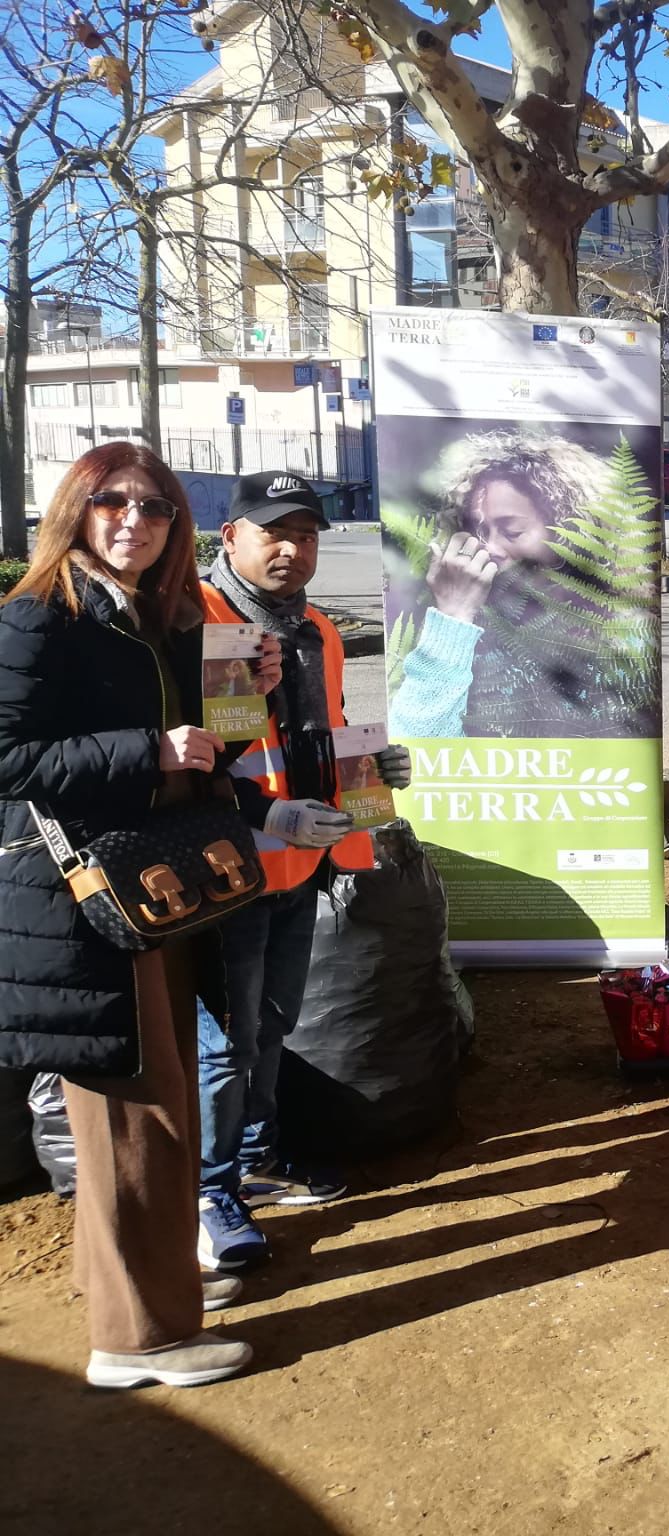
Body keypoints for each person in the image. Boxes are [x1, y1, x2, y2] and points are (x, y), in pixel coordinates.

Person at [0, 443, 284, 1388]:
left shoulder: (148, 619)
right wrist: (146, 749)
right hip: (87, 905)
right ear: (76, 510)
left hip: (148, 894)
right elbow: (8, 759)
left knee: (137, 1116)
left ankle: (140, 1297)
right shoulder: (40, 616)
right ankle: (138, 1340)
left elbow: (196, 753)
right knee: (136, 1120)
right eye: (112, 501)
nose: (134, 519)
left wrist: (246, 702)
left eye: (155, 507)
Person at [192, 472, 412, 1272]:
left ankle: (258, 1156)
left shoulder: (315, 627)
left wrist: (371, 767)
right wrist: (272, 814)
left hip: (298, 864)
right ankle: (212, 1193)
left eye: (307, 534)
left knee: (274, 1019)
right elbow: (212, 761)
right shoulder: (208, 622)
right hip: (228, 870)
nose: (291, 548)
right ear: (232, 539)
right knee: (225, 1040)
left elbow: (323, 734)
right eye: (272, 532)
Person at [389, 429, 661, 739]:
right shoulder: (462, 627)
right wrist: (453, 618)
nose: (488, 547)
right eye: (479, 531)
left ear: (572, 536)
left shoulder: (625, 640)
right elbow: (419, 747)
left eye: (512, 531)